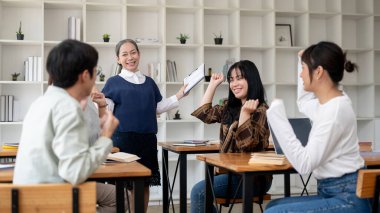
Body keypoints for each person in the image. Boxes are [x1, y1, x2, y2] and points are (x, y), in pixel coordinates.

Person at [13, 39, 120, 213]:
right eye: (95, 72)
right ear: (85, 76)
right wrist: (106, 135)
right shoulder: (68, 107)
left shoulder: (41, 102)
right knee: (123, 199)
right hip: (53, 199)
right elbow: (76, 172)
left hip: (27, 197)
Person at [265, 41, 371, 213]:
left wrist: (277, 119)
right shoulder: (330, 104)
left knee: (274, 212)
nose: (300, 75)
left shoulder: (334, 111)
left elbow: (304, 164)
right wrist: (302, 60)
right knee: (273, 206)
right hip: (333, 190)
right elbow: (305, 102)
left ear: (319, 72)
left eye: (304, 69)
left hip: (347, 198)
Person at [101, 39, 188, 212]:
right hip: (122, 142)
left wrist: (179, 95)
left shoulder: (149, 82)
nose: (130, 57)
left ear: (139, 54)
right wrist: (99, 103)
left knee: (144, 185)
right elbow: (107, 109)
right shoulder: (113, 82)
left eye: (133, 52)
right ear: (118, 59)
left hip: (147, 141)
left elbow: (158, 107)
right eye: (124, 54)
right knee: (123, 186)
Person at [190, 60, 273, 213]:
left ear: (251, 79)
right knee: (200, 192)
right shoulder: (229, 107)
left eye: (239, 78)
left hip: (253, 177)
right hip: (229, 173)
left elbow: (246, 145)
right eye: (231, 80)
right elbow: (204, 114)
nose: (234, 83)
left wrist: (245, 114)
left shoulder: (262, 110)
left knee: (199, 191)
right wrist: (213, 84)